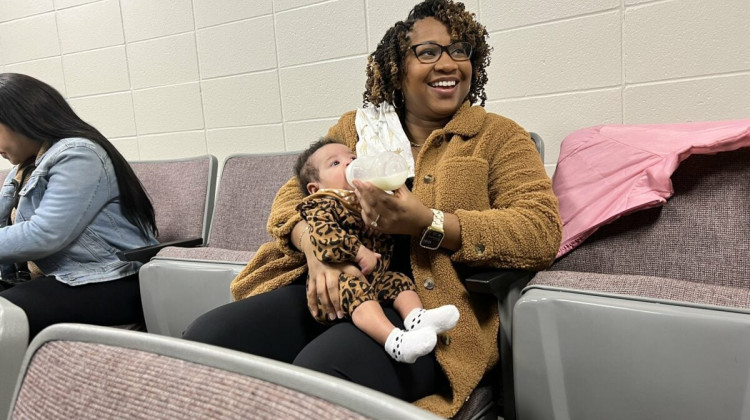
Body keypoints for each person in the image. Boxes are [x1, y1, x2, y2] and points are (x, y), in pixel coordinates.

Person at [183, 0, 562, 416]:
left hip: (424, 316)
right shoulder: (355, 128)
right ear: (397, 67)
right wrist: (319, 252)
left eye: (460, 50)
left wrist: (428, 223)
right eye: (428, 51)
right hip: (335, 289)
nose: (449, 63)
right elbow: (291, 198)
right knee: (206, 340)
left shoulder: (497, 137)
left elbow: (539, 230)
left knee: (318, 377)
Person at [0, 73, 158, 340]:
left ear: (21, 118)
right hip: (62, 280)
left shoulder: (79, 154)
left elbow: (43, 234)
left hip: (110, 281)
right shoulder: (22, 168)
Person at [294, 138, 459, 363]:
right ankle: (394, 341)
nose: (348, 164)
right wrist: (361, 252)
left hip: (373, 276)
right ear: (316, 188)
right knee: (356, 289)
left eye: (353, 158)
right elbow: (326, 238)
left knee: (399, 281)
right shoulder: (321, 204)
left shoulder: (363, 200)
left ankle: (417, 318)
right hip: (338, 288)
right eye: (335, 163)